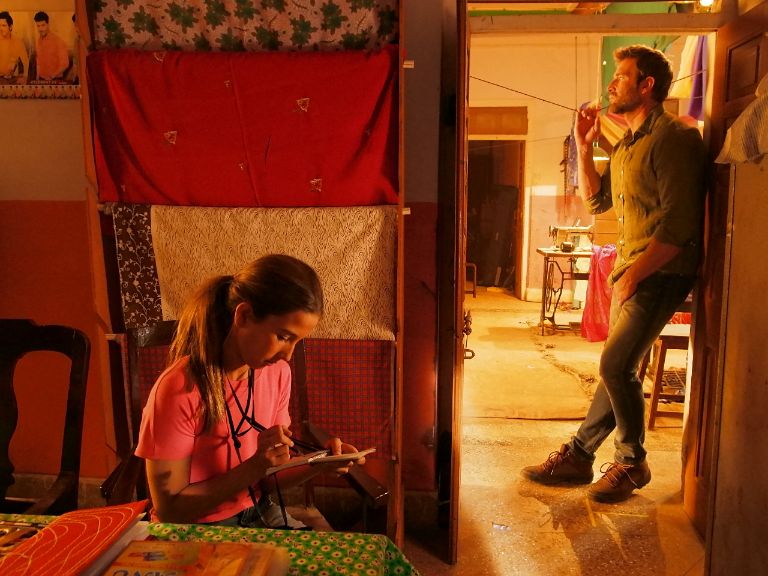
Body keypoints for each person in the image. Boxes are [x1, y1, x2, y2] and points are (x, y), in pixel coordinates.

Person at [522, 45, 708, 503]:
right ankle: (580, 455)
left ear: (647, 85)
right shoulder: (626, 145)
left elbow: (680, 225)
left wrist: (632, 276)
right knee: (617, 367)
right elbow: (596, 201)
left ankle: (631, 462)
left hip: (662, 272)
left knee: (614, 365)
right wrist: (584, 147)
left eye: (622, 76)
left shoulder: (674, 138)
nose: (612, 84)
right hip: (635, 270)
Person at [135, 254, 364, 527]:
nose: (288, 355)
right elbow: (170, 511)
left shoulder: (277, 373)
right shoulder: (180, 388)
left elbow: (268, 478)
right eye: (283, 337)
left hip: (259, 510)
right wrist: (254, 467)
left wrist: (318, 464)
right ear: (243, 316)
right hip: (198, 526)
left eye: (297, 342)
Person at [33, 11, 70, 82]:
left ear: (48, 24)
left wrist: (52, 76)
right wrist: (37, 78)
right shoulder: (39, 41)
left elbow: (65, 64)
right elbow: (38, 62)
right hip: (41, 80)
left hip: (55, 80)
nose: (40, 29)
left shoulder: (58, 41)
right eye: (38, 26)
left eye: (43, 25)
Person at [0, 12, 29, 84]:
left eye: (3, 25)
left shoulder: (17, 42)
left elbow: (26, 62)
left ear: (10, 27)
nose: (0, 29)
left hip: (10, 80)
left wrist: (25, 77)